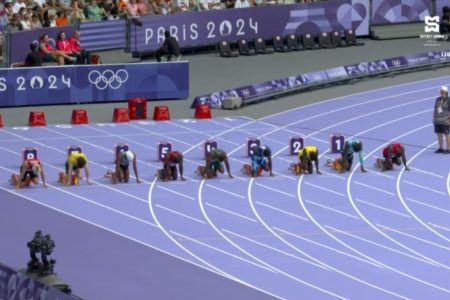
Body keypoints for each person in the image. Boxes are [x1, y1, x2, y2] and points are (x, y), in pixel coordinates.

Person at [433, 86, 450, 153]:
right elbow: (435, 109)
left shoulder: (449, 100)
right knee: (439, 134)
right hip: (437, 120)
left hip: (445, 120)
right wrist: (433, 118)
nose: (441, 93)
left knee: (447, 134)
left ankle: (449, 148)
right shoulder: (438, 99)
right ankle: (441, 148)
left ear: (446, 92)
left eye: (442, 92)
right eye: (440, 91)